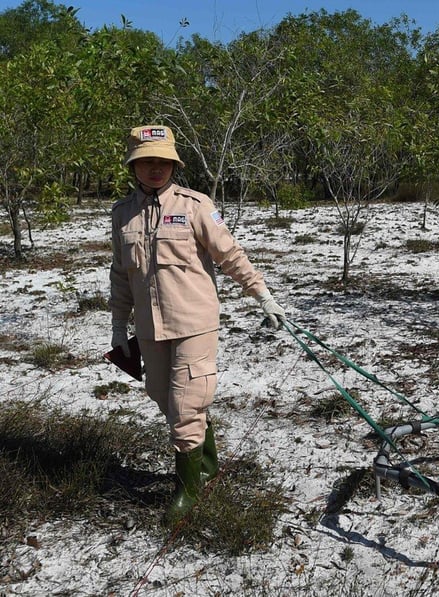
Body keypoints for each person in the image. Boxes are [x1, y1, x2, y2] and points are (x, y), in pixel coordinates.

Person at [109, 125, 287, 524]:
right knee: (162, 396)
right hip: (150, 327)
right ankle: (205, 463)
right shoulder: (122, 213)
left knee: (185, 407)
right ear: (134, 166)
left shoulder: (195, 205)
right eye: (147, 161)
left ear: (174, 164)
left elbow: (230, 255)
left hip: (195, 323)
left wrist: (262, 295)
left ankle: (188, 490)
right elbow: (121, 275)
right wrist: (120, 327)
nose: (156, 168)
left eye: (163, 161)